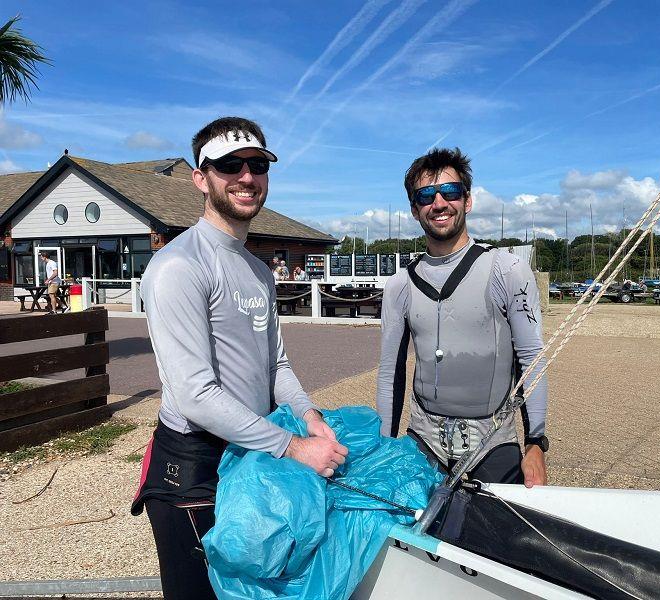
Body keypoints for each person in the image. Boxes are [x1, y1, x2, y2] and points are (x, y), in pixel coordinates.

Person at [131, 117, 348, 600]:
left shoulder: (257, 271)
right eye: (229, 165)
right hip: (194, 469)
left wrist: (309, 416)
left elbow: (277, 365)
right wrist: (293, 448)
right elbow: (195, 395)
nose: (246, 177)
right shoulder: (178, 267)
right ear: (200, 177)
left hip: (250, 455)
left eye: (256, 165)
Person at [376, 147, 548, 488]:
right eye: (426, 196)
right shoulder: (399, 285)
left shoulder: (507, 270)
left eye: (450, 192)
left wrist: (536, 444)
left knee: (505, 536)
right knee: (412, 535)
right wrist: (385, 446)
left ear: (467, 201)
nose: (439, 203)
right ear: (414, 209)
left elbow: (531, 358)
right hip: (424, 437)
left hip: (493, 437)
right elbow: (390, 372)